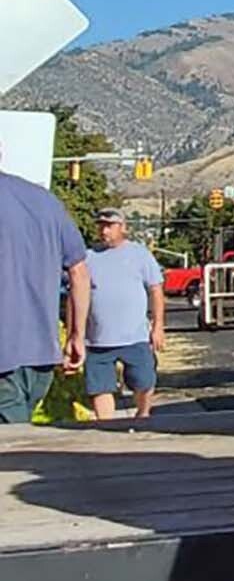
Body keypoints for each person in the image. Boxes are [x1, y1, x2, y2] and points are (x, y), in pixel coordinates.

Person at [0, 147, 90, 423]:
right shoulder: (45, 201)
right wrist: (77, 335)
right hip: (40, 354)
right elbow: (79, 272)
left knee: (12, 449)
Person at [82, 208, 165, 419]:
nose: (104, 231)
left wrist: (157, 327)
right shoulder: (89, 257)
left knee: (144, 382)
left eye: (110, 226)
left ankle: (143, 415)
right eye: (101, 226)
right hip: (98, 339)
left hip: (135, 337)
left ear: (123, 228)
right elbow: (77, 293)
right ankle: (107, 429)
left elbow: (156, 290)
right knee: (100, 388)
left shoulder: (139, 254)